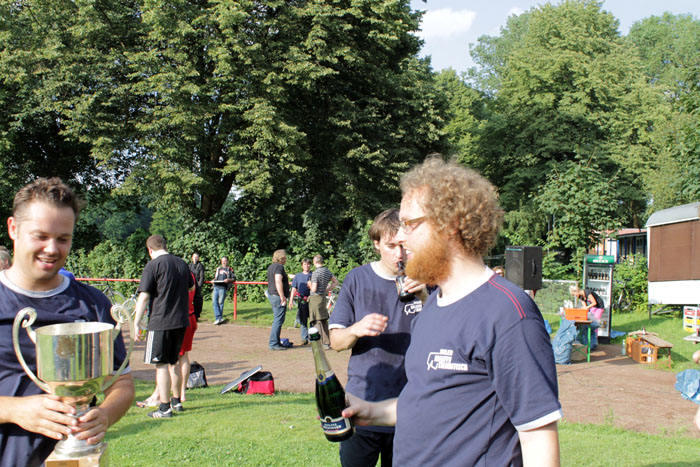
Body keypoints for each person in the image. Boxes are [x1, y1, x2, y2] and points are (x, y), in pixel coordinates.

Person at [343, 157, 561, 466]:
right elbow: (426, 402)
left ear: (449, 224)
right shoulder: (433, 305)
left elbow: (538, 438)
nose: (401, 237)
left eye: (410, 224)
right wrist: (369, 411)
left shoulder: (508, 314)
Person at [0, 177, 134, 466]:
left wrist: (105, 414)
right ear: (13, 228)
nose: (52, 249)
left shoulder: (93, 304)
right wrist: (13, 410)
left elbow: (121, 382)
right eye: (40, 236)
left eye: (63, 239)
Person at [329, 208, 428, 467]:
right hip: (362, 403)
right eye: (391, 246)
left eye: (404, 246)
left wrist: (426, 297)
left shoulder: (426, 280)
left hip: (410, 407)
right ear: (376, 244)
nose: (399, 254)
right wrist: (356, 329)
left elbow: (450, 335)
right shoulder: (357, 279)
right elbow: (336, 342)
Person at [133, 235, 194, 418]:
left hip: (161, 321)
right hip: (181, 320)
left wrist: (136, 322)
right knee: (174, 362)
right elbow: (191, 288)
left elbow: (144, 296)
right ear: (165, 246)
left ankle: (164, 407)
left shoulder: (153, 265)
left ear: (150, 250)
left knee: (160, 365)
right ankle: (176, 401)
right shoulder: (182, 264)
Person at [137, 271, 198, 408]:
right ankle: (180, 395)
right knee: (182, 357)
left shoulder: (168, 275)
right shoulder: (188, 274)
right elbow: (196, 294)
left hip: (175, 319)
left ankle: (160, 396)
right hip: (189, 317)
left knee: (166, 361)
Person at [308, 254, 340, 347]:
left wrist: (309, 284)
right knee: (323, 319)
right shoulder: (327, 271)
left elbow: (314, 289)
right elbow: (336, 282)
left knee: (316, 320)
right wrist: (327, 289)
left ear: (315, 262)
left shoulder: (315, 273)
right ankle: (326, 341)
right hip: (322, 297)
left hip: (315, 298)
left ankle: (318, 343)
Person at [267, 249, 290, 350]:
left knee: (278, 319)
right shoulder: (279, 267)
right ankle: (273, 343)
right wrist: (282, 296)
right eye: (284, 258)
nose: (285, 259)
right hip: (277, 296)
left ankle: (276, 341)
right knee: (278, 320)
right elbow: (278, 281)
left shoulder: (271, 267)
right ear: (281, 258)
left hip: (272, 294)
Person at [289, 258, 312, 345]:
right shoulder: (298, 276)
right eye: (305, 264)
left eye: (308, 264)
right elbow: (294, 289)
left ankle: (313, 338)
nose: (307, 266)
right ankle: (304, 339)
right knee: (303, 320)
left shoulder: (313, 275)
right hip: (302, 300)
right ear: (302, 265)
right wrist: (291, 300)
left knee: (313, 320)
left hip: (312, 300)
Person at [212, 256, 235, 325]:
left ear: (227, 261)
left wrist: (228, 280)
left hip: (223, 287)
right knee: (214, 302)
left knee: (220, 303)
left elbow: (233, 279)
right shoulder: (218, 269)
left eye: (225, 261)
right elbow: (216, 277)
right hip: (216, 286)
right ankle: (219, 318)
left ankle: (219, 318)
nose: (224, 262)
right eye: (223, 261)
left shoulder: (229, 269)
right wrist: (213, 280)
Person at [189, 252, 205, 321]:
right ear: (192, 258)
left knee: (198, 301)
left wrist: (199, 286)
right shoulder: (189, 266)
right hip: (191, 286)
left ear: (198, 258)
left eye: (196, 257)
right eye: (194, 257)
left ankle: (196, 315)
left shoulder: (200, 266)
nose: (195, 258)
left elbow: (201, 276)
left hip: (197, 287)